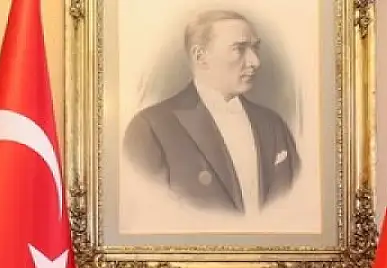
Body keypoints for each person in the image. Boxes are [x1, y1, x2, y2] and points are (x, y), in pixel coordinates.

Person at [123, 9, 300, 215]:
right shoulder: (150, 128)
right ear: (201, 57)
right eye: (239, 48)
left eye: (255, 48)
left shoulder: (273, 124)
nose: (255, 61)